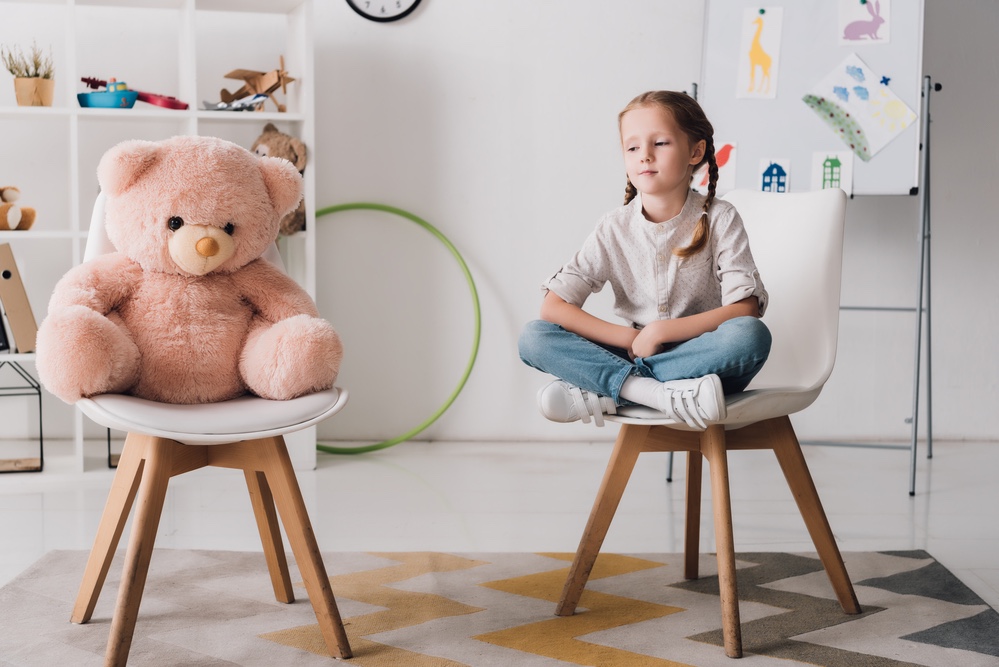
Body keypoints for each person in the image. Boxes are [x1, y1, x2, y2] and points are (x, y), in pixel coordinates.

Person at [518, 90, 772, 429]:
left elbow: (745, 309)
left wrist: (661, 331)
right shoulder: (613, 227)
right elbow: (554, 307)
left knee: (750, 336)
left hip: (704, 361)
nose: (645, 156)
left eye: (661, 143)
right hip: (639, 353)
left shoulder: (721, 218)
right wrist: (631, 340)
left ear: (695, 151)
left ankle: (614, 388)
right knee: (534, 337)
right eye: (633, 147)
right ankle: (648, 391)